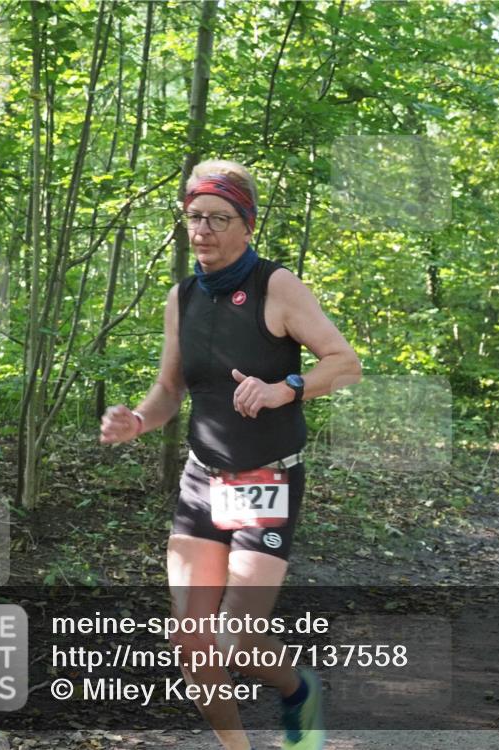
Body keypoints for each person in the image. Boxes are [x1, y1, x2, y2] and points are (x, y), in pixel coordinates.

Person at [100, 159, 361, 750]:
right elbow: (171, 390)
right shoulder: (182, 297)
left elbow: (345, 364)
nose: (203, 230)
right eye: (194, 217)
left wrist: (283, 389)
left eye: (219, 217)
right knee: (191, 641)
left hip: (268, 480)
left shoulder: (278, 287)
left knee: (238, 639)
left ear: (247, 224)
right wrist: (138, 420)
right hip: (202, 481)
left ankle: (298, 691)